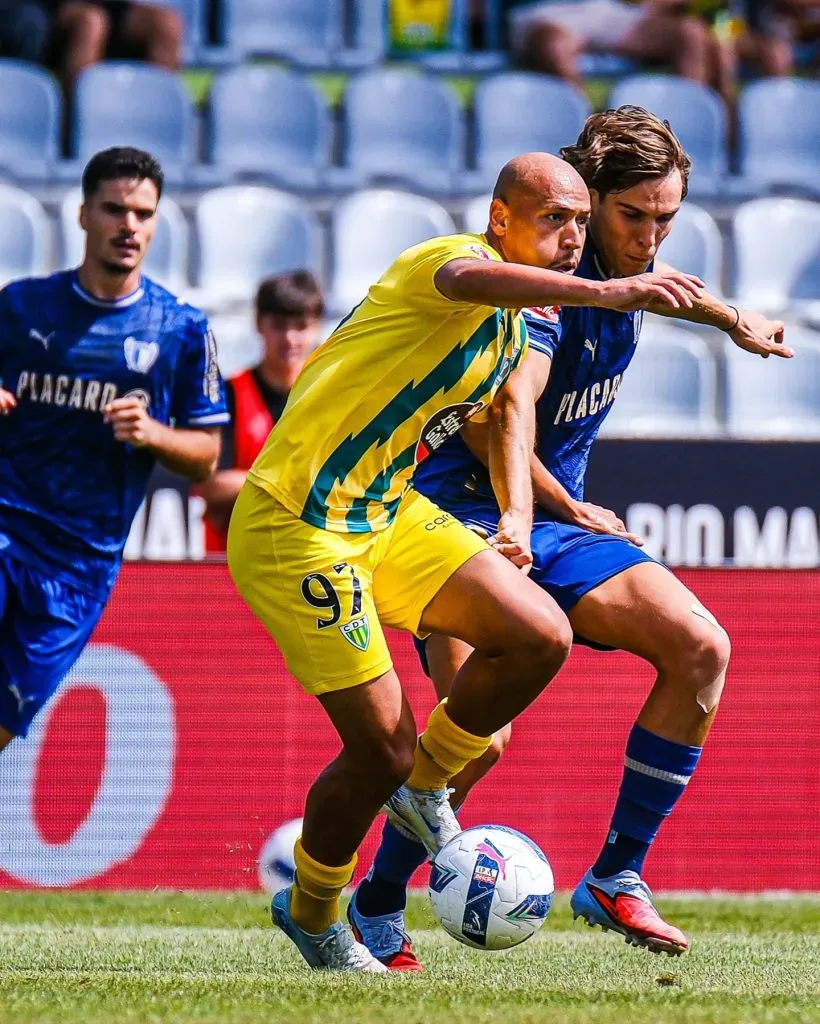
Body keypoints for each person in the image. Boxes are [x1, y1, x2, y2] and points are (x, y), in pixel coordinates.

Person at [226, 150, 704, 972]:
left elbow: (506, 420)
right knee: (378, 745)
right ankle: (313, 911)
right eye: (552, 218)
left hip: (386, 514)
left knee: (536, 635)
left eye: (579, 223)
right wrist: (602, 289)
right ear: (499, 219)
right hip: (295, 524)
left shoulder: (513, 333)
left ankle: (424, 794)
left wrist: (528, 512)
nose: (569, 237)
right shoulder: (447, 263)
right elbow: (477, 285)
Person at [350, 107, 793, 970]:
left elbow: (670, 287)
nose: (651, 238)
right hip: (461, 527)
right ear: (588, 204)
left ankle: (616, 877)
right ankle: (372, 901)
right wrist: (552, 507)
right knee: (480, 735)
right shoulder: (542, 291)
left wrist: (734, 318)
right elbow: (497, 420)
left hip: (551, 524)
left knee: (701, 645)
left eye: (666, 218)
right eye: (634, 217)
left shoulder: (632, 272)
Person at [0, 146, 227, 749]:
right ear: (82, 215)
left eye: (144, 213)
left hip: (80, 562)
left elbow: (206, 455)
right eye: (115, 209)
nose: (129, 225)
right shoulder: (18, 308)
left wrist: (152, 433)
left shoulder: (181, 329)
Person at [200, 271, 324, 554]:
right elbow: (212, 485)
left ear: (316, 327)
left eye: (301, 326)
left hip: (303, 558)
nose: (290, 338)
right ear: (259, 324)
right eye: (279, 325)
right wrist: (291, 483)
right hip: (230, 558)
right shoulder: (229, 394)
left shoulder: (327, 396)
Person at [507, 0, 713, 88]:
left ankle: (683, 142)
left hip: (610, 11)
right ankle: (588, 134)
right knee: (556, 47)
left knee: (691, 33)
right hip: (545, 12)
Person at [47, 0, 183, 87]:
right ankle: (80, 121)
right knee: (91, 23)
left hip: (109, 6)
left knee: (166, 24)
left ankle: (152, 121)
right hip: (51, 8)